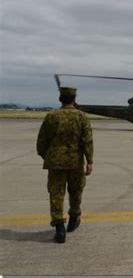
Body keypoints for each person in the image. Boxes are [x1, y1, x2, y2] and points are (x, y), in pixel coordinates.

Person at [36, 87, 93, 243]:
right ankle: (74, 218)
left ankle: (59, 228)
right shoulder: (82, 117)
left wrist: (47, 156)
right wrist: (90, 161)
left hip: (56, 163)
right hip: (75, 162)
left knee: (56, 193)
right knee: (76, 190)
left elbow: (41, 141)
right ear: (74, 99)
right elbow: (87, 141)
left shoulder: (51, 116)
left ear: (60, 99)